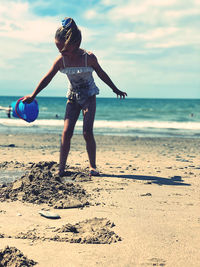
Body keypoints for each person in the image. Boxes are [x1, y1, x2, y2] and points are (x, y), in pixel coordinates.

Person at [23, 17, 127, 176]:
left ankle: (92, 166)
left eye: (63, 49)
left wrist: (115, 89)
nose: (61, 52)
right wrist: (33, 94)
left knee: (87, 132)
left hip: (89, 97)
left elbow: (101, 74)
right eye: (58, 49)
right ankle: (62, 168)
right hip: (72, 97)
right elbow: (47, 78)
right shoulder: (61, 61)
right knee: (66, 132)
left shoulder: (88, 57)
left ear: (75, 44)